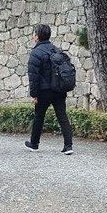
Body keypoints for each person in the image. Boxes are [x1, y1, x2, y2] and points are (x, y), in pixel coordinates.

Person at [25, 24, 74, 155]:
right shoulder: (56, 50)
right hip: (59, 90)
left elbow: (33, 77)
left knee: (39, 117)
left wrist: (34, 95)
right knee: (62, 116)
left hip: (43, 91)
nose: (33, 36)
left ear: (37, 37)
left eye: (34, 34)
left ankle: (34, 144)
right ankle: (68, 146)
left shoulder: (36, 53)